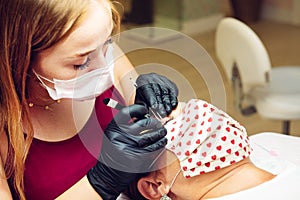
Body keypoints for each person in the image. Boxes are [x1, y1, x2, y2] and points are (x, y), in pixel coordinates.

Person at [0, 0, 179, 199]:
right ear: (19, 57)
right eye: (81, 63)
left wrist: (158, 102)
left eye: (107, 44)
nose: (105, 69)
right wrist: (101, 183)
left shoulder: (95, 49)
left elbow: (164, 125)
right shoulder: (5, 128)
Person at [123, 99, 300, 200]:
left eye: (183, 108)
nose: (197, 111)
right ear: (155, 186)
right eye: (170, 124)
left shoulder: (271, 142)